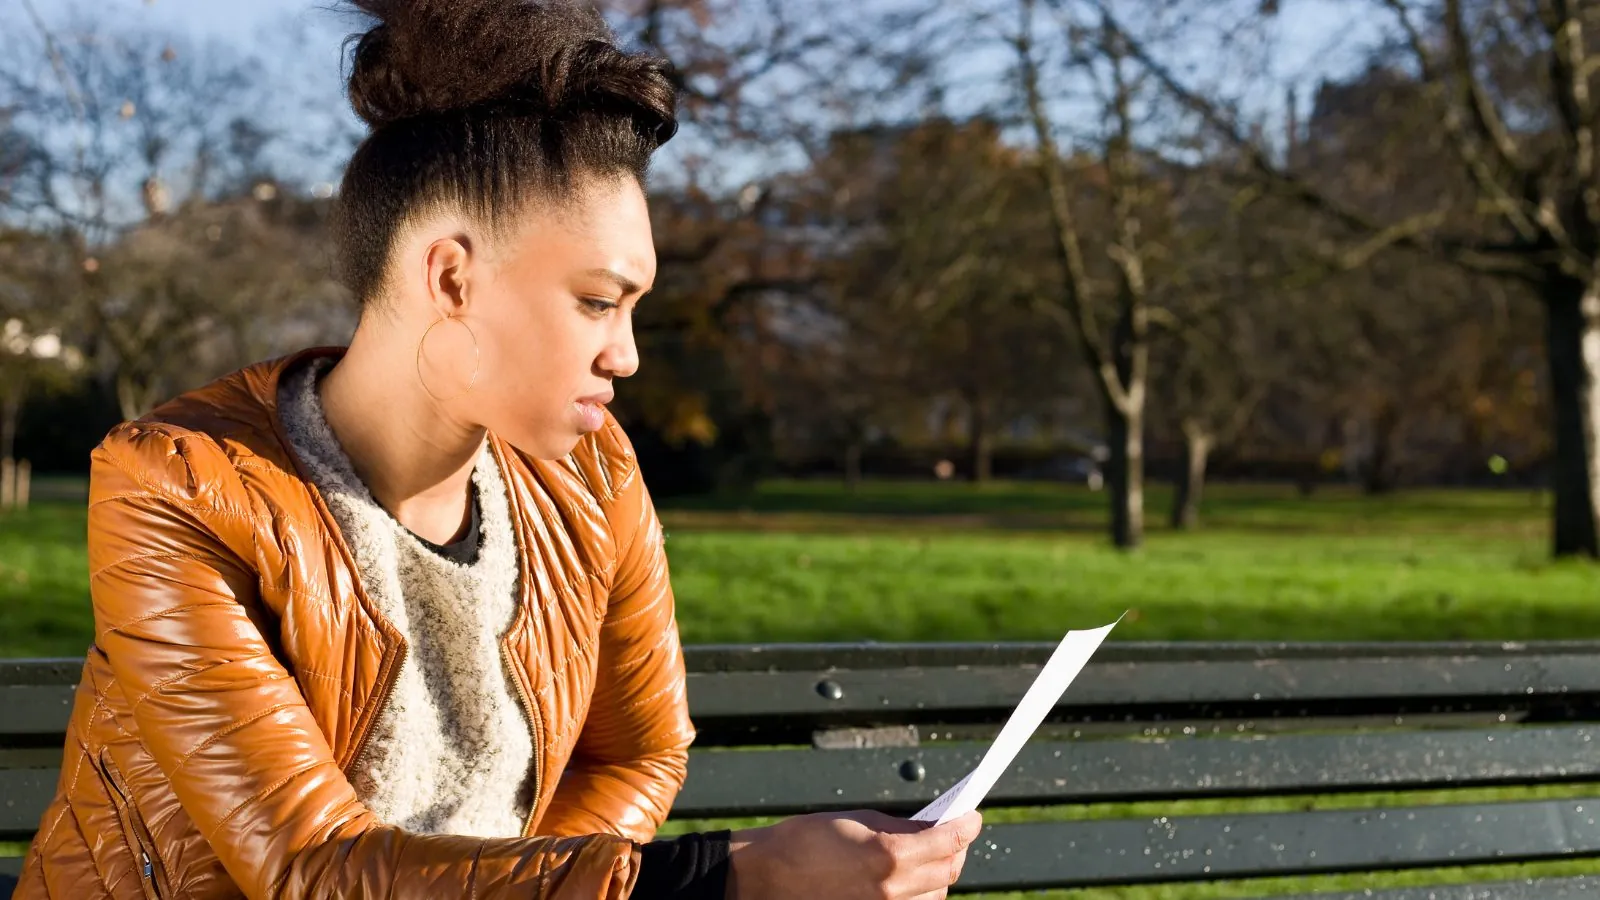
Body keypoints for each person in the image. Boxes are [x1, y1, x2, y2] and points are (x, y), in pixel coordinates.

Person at [12, 1, 981, 898]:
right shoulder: (177, 484)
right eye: (598, 301)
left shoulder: (596, 475)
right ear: (451, 277)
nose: (627, 354)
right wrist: (724, 880)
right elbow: (310, 868)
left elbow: (633, 756)